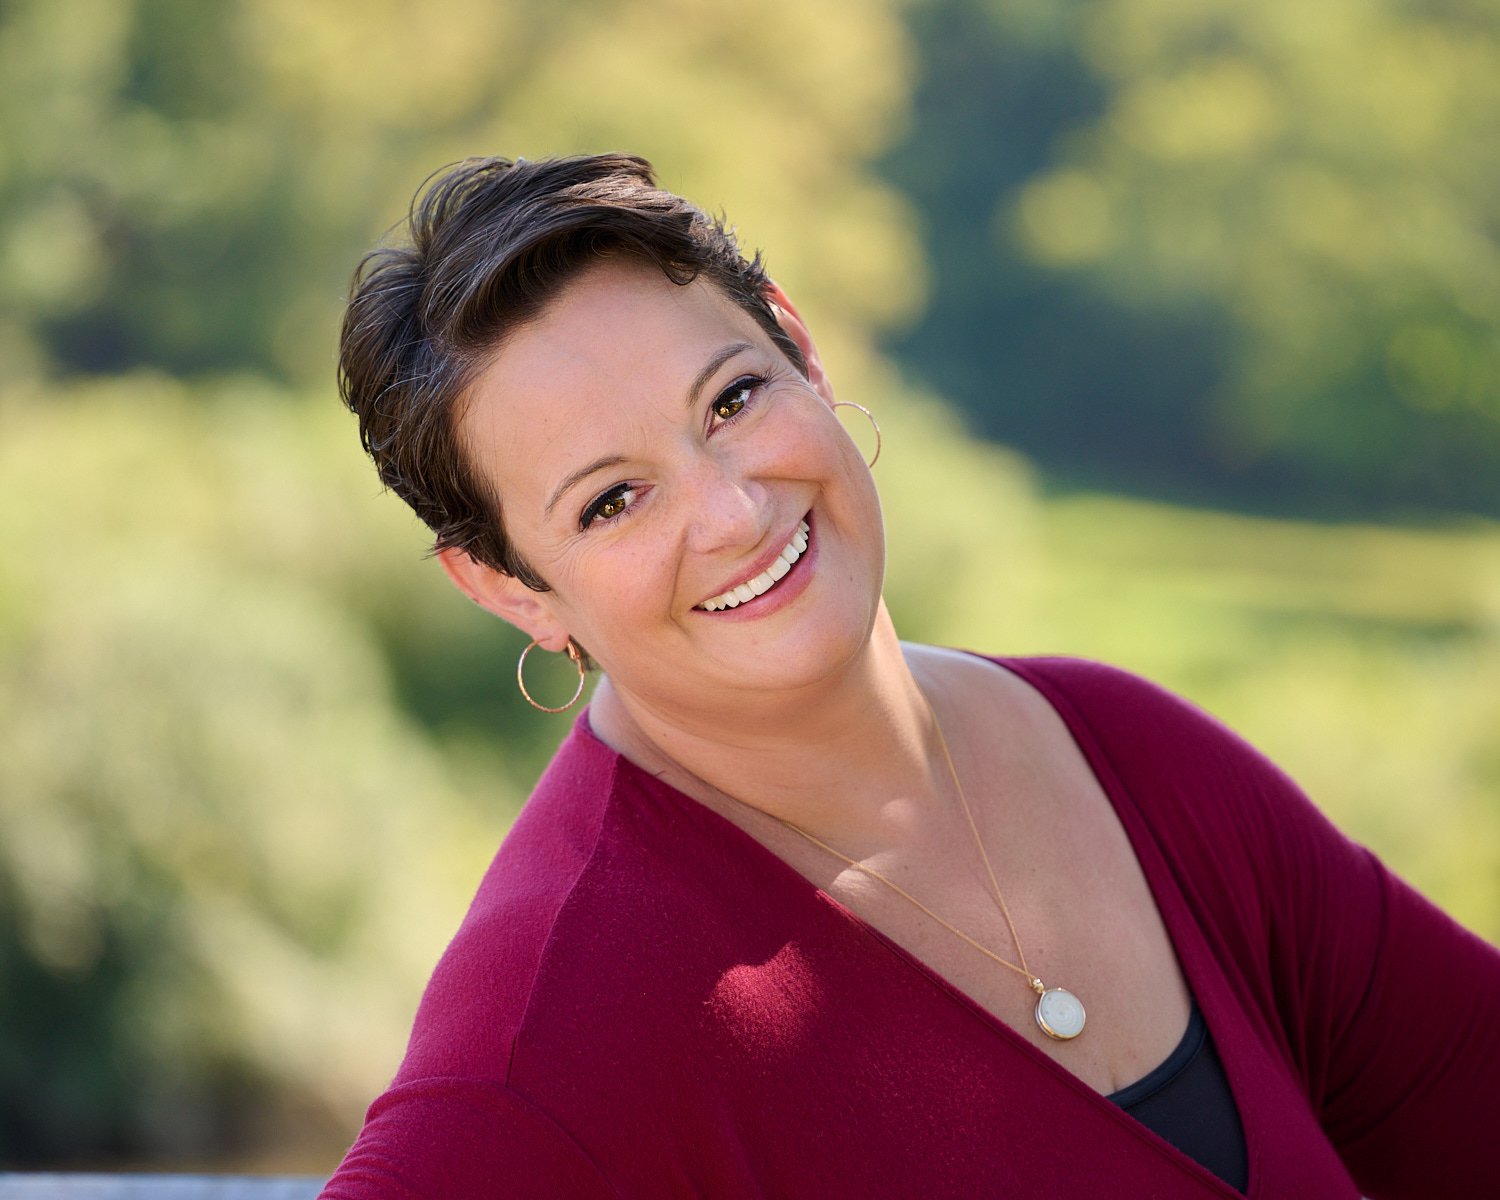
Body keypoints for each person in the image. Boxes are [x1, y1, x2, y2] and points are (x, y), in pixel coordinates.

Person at [319, 154, 1500, 1198]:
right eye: (613, 500)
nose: (731, 512)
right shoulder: (556, 1046)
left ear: (803, 347)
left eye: (731, 400)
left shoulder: (1134, 756)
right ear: (508, 587)